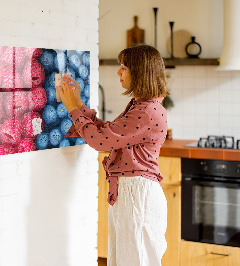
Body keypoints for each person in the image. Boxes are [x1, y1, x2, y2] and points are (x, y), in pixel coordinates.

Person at [57, 44, 169, 266]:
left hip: (137, 195)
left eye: (124, 67)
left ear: (140, 72)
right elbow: (108, 133)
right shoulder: (142, 106)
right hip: (132, 193)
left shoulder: (146, 111)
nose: (118, 72)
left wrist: (72, 108)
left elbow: (100, 141)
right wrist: (78, 103)